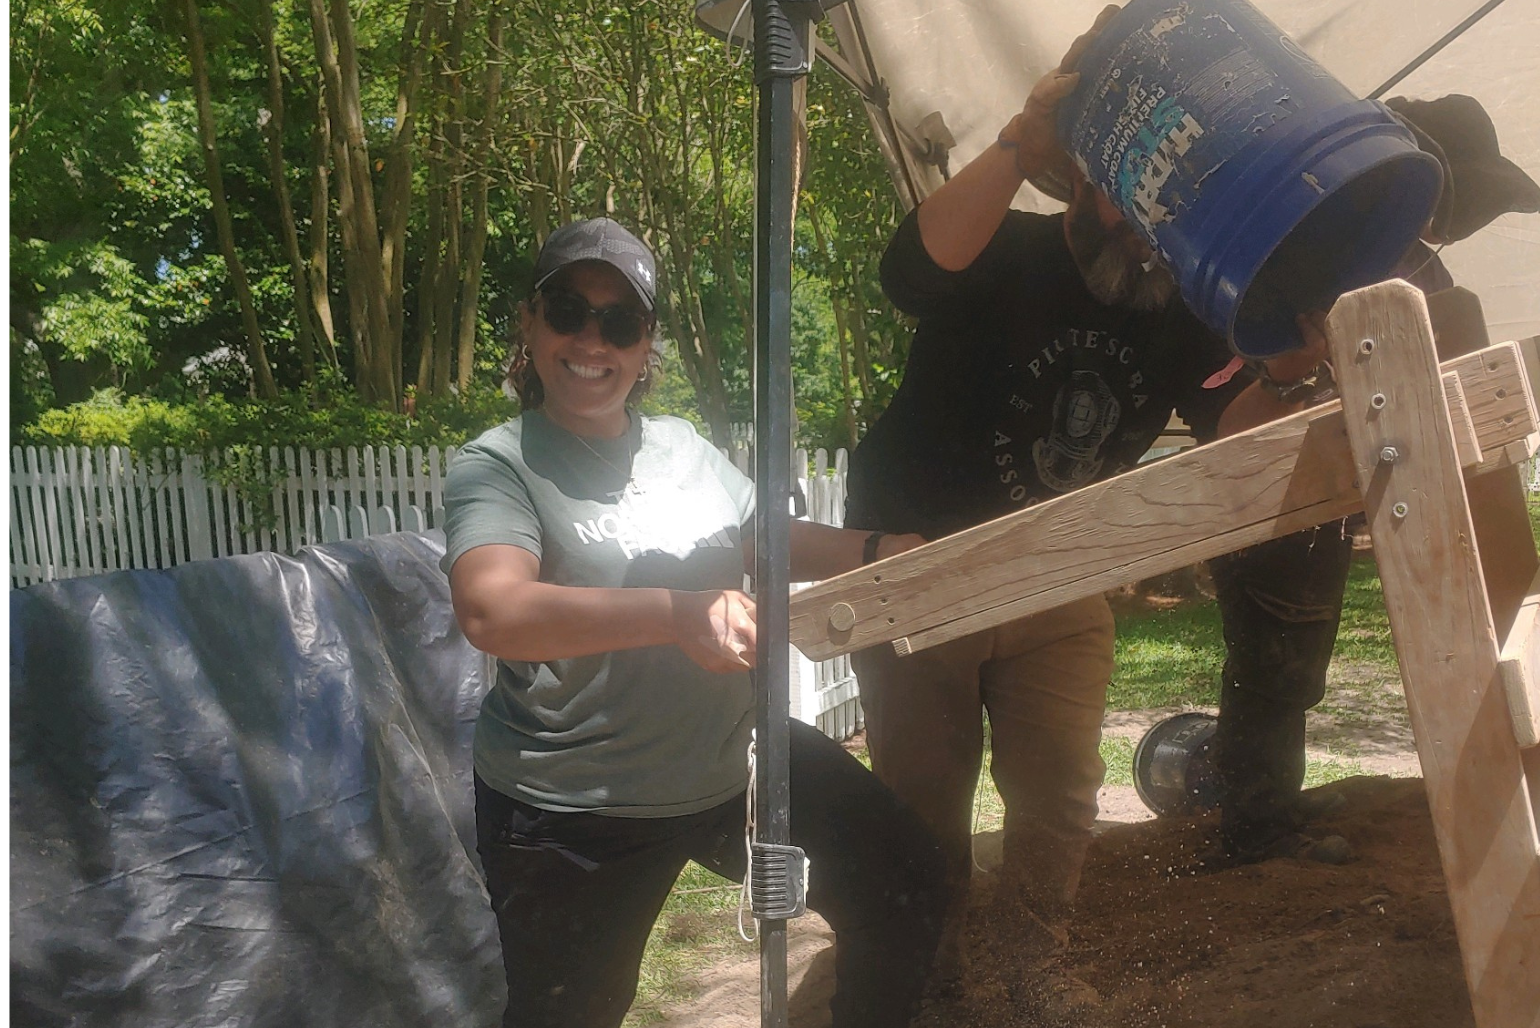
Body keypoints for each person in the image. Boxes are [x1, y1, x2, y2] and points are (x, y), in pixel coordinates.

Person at [842, 5, 1321, 939]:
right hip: (916, 557)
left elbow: (1232, 430)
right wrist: (1022, 143)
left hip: (1060, 570)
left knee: (1059, 798)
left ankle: (1033, 970)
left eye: (1169, 214)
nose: (1149, 230)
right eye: (1132, 200)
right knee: (924, 800)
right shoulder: (1004, 248)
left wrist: (1288, 375)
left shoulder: (1183, 306)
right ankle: (933, 977)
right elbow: (907, 277)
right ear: (1086, 181)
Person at [440, 216, 949, 1028]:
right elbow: (492, 608)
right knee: (571, 1013)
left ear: (646, 347)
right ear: (531, 324)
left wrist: (877, 548)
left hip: (733, 766)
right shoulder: (499, 464)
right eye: (568, 310)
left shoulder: (682, 447)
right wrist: (678, 615)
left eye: (621, 321)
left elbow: (759, 538)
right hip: (576, 806)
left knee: (909, 881)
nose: (591, 340)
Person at [1209, 92, 1540, 865]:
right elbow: (1231, 427)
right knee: (1279, 655)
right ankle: (1255, 828)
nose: (1455, 229)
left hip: (1341, 479)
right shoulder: (1305, 248)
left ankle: (1265, 815)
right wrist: (1297, 376)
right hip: (1270, 474)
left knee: (1299, 651)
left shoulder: (1419, 273)